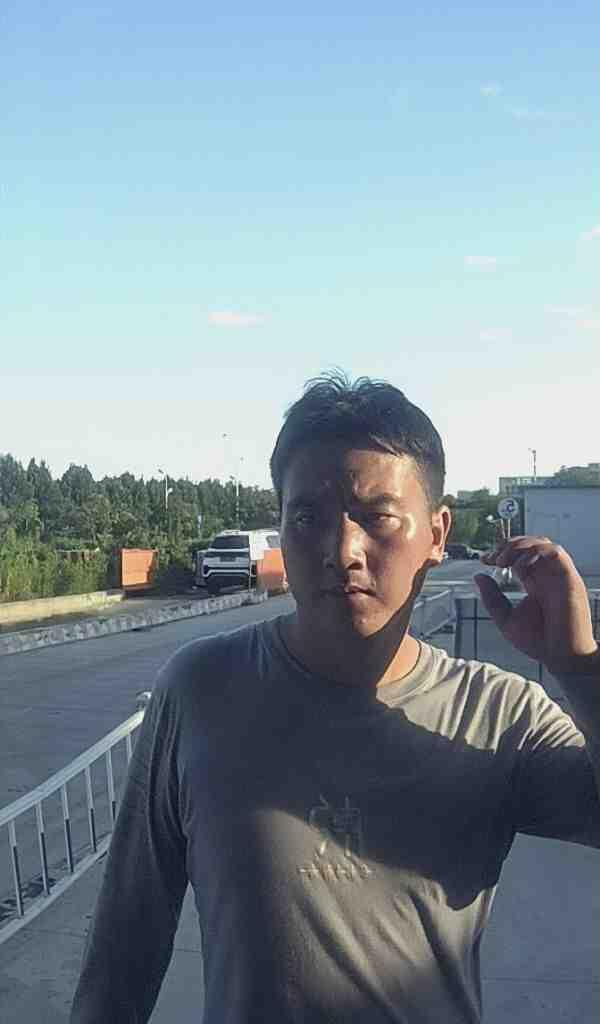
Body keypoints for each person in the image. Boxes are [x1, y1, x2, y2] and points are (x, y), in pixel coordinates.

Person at [70, 371, 600, 1024]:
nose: (342, 550)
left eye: (377, 518)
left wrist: (581, 669)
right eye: (307, 518)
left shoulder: (499, 716)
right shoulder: (202, 689)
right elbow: (126, 938)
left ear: (437, 534)